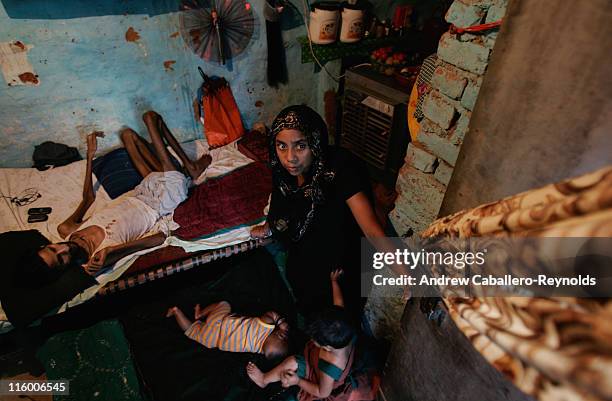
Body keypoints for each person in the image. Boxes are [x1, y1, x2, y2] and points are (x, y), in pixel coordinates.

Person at [250, 105, 388, 317]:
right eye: (281, 146)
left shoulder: (341, 169)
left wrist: (409, 275)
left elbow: (372, 230)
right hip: (304, 256)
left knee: (337, 317)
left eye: (300, 146)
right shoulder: (283, 169)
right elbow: (281, 199)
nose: (290, 158)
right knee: (305, 296)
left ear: (315, 143)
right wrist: (271, 225)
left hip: (338, 260)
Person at [34, 110, 212, 275]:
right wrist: (112, 250)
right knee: (150, 118)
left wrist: (90, 155)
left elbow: (88, 198)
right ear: (64, 269)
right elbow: (158, 239)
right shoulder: (98, 258)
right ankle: (189, 169)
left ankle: (188, 170)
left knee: (127, 136)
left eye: (53, 249)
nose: (63, 249)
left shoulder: (66, 229)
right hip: (159, 204)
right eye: (60, 258)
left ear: (47, 244)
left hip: (140, 192)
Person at [247, 269, 371, 401]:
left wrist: (298, 381)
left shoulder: (331, 366)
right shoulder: (343, 323)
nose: (312, 339)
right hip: (314, 359)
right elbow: (339, 303)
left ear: (327, 347)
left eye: (315, 340)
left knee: (291, 362)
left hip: (315, 375)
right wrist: (334, 282)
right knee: (293, 356)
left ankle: (264, 379)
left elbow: (322, 392)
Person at [166, 301, 290, 359]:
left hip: (220, 321)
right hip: (214, 340)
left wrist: (281, 322)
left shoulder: (265, 326)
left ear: (279, 334)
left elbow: (271, 314)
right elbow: (272, 350)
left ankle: (200, 314)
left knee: (224, 304)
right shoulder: (258, 350)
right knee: (191, 331)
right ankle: (176, 311)